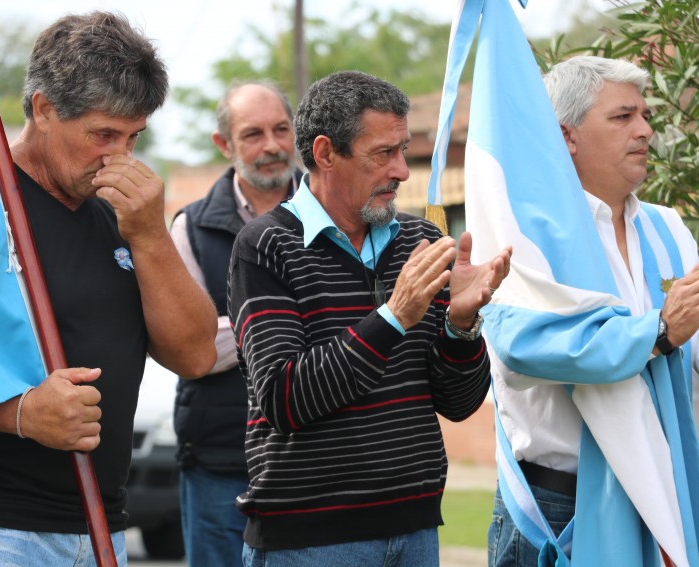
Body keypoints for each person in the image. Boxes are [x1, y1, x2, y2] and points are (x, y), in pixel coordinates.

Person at [0, 11, 217, 566]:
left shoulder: (124, 213)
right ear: (42, 109)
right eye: (102, 135)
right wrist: (20, 413)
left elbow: (195, 353)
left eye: (133, 136)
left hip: (98, 527)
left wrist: (149, 235)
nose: (119, 156)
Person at [228, 70, 512, 567]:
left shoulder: (417, 241)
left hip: (415, 530)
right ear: (324, 154)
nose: (402, 170)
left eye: (403, 150)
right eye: (384, 153)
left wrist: (461, 327)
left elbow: (460, 403)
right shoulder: (266, 245)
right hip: (307, 541)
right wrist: (393, 316)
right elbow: (283, 398)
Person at [487, 56, 699, 566]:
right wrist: (660, 330)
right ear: (566, 136)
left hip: (666, 488)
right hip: (560, 505)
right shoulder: (525, 236)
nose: (646, 131)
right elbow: (524, 348)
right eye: (623, 117)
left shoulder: (668, 227)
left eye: (646, 116)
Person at [170, 80, 302, 567]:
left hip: (313, 459)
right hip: (219, 462)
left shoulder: (334, 215)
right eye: (252, 134)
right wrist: (293, 319)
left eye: (281, 129)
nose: (271, 146)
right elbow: (191, 350)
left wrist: (233, 328)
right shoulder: (191, 227)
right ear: (224, 145)